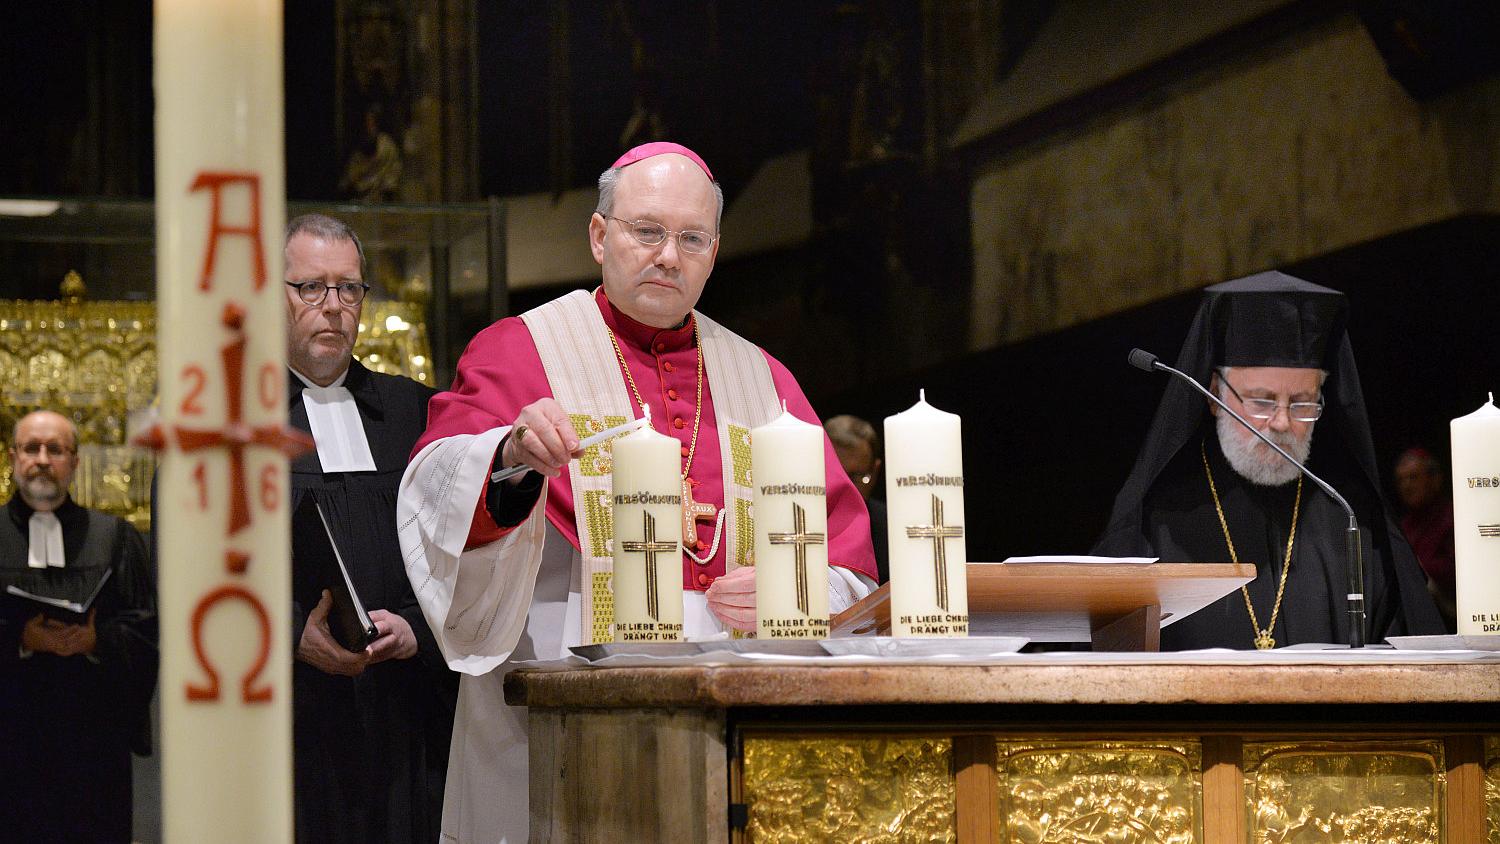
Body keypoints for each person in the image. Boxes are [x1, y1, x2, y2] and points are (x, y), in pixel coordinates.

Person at [398, 142, 878, 843]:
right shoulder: (519, 350)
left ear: (715, 252)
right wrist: (510, 458)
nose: (668, 256)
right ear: (599, 235)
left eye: (691, 239)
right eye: (646, 231)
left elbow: (851, 572)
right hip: (552, 703)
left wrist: (791, 593)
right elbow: (437, 492)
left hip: (721, 724)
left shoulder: (765, 380)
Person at [1092, 271, 1442, 649]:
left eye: (1302, 403)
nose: (1281, 423)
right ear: (1214, 396)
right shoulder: (1156, 522)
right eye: (1261, 401)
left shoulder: (1355, 522)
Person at [282, 214, 454, 843]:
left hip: (403, 720)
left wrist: (417, 626)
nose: (333, 307)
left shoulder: (414, 411)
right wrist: (286, 634)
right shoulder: (232, 422)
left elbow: (462, 550)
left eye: (348, 288)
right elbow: (184, 572)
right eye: (310, 288)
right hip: (288, 723)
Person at [0, 410, 157, 841]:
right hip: (9, 741)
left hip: (92, 744)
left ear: (75, 462)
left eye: (57, 449)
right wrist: (20, 638)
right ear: (13, 457)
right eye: (32, 448)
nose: (43, 459)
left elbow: (146, 631)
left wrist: (96, 639)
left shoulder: (114, 537)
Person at [1392, 446, 1456, 631]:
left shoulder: (1454, 518)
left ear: (1434, 480)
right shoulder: (1403, 526)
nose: (1407, 486)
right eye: (1401, 480)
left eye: (1413, 477)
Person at [825, 414, 889, 582]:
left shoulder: (891, 526)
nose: (847, 488)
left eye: (858, 477)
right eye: (838, 476)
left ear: (875, 471)